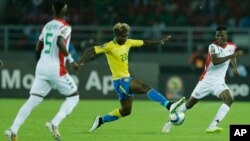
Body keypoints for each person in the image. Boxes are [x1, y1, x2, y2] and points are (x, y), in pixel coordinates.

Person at [78, 22, 185, 132]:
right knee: (145, 87)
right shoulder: (109, 46)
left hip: (124, 81)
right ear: (117, 35)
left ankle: (100, 120)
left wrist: (159, 41)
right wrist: (80, 62)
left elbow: (145, 42)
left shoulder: (128, 42)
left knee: (126, 111)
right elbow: (92, 50)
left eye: (127, 35)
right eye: (123, 36)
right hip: (120, 81)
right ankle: (169, 105)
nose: (125, 38)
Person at [5, 1, 80, 141]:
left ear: (53, 9)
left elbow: (38, 46)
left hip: (42, 67)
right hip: (56, 68)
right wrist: (71, 60)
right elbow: (59, 41)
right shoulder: (65, 27)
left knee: (32, 100)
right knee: (74, 97)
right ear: (65, 10)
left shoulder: (47, 25)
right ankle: (54, 123)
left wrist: (40, 61)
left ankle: (13, 130)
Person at [162, 26, 244, 134]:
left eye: (222, 35)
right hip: (206, 81)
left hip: (219, 82)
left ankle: (213, 125)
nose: (219, 37)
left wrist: (234, 68)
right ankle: (170, 121)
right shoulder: (213, 46)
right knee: (190, 104)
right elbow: (215, 61)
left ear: (226, 36)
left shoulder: (231, 46)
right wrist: (233, 55)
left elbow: (232, 56)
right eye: (217, 35)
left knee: (229, 98)